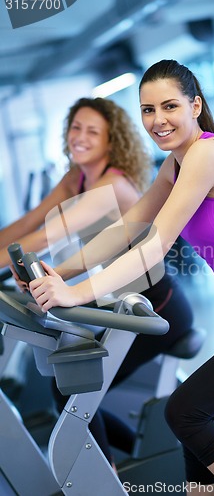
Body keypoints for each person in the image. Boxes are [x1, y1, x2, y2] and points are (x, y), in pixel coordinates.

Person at [27, 60, 214, 495]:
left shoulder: (207, 153)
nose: (158, 119)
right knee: (201, 426)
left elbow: (152, 244)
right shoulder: (177, 162)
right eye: (148, 109)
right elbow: (129, 226)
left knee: (185, 413)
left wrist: (75, 294)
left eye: (169, 106)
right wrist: (61, 271)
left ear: (195, 105)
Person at [3, 96, 194, 465]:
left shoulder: (113, 186)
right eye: (76, 127)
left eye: (93, 131)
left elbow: (46, 236)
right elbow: (30, 223)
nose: (81, 137)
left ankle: (105, 479)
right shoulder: (76, 177)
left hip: (157, 308)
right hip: (121, 303)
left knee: (75, 391)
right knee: (72, 388)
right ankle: (130, 462)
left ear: (112, 142)